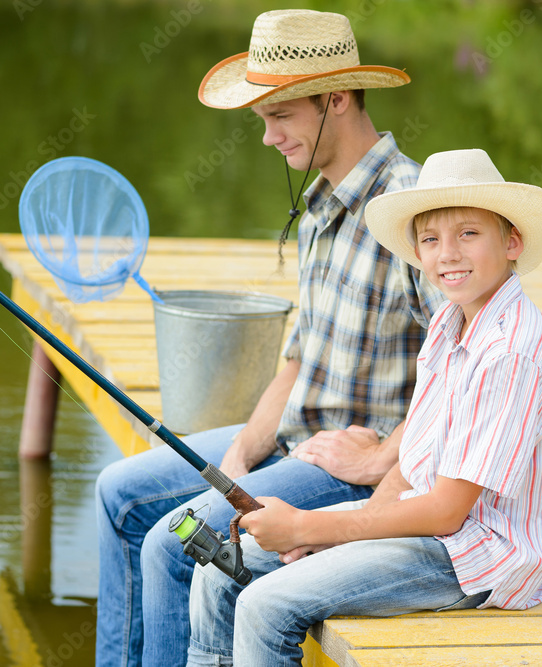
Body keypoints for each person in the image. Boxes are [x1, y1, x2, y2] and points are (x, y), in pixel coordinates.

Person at [95, 10, 445, 666]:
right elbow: (297, 359)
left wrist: (378, 461)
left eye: (279, 115)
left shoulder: (414, 208)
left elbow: (457, 365)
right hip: (290, 441)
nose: (266, 138)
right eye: (261, 119)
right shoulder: (317, 211)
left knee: (174, 544)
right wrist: (238, 454)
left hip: (352, 472)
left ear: (336, 99)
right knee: (118, 492)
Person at [186, 148, 542, 666]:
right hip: (427, 523)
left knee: (267, 604)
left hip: (476, 556)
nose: (448, 254)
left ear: (512, 241)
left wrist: (309, 528)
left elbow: (446, 513)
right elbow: (414, 462)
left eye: (469, 233)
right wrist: (347, 531)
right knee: (219, 567)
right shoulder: (450, 322)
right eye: (430, 239)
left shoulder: (510, 352)